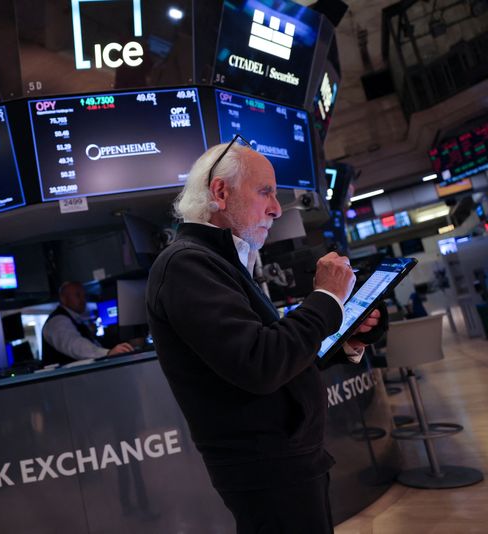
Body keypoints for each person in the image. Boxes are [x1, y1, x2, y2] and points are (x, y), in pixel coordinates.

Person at [146, 139, 382, 534]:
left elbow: (277, 354)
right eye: (266, 192)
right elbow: (259, 363)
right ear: (220, 193)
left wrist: (345, 342)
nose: (276, 208)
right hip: (266, 465)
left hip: (286, 458)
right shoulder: (187, 264)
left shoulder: (220, 261)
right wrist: (325, 298)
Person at [41, 281, 134, 365]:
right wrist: (107, 353)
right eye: (78, 295)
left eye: (84, 296)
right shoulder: (57, 321)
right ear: (63, 299)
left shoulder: (76, 319)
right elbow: (75, 345)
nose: (83, 300)